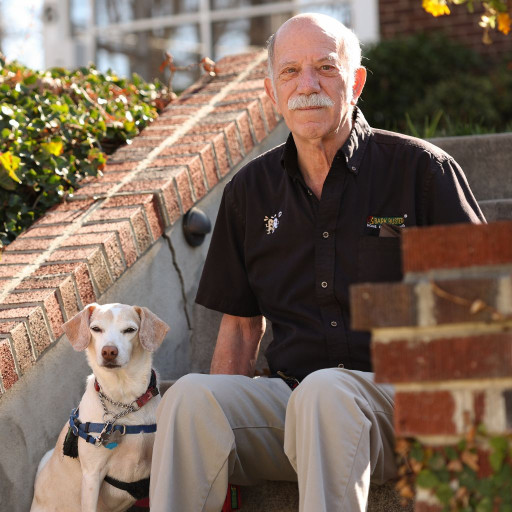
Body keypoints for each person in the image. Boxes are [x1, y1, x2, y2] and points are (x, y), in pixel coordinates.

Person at [149, 13, 485, 512]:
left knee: (327, 391)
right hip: (296, 407)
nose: (308, 85)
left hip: (404, 409)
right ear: (271, 91)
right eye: (290, 72)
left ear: (357, 81)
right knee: (190, 398)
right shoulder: (249, 191)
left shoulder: (422, 171)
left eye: (326, 67)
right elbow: (241, 331)